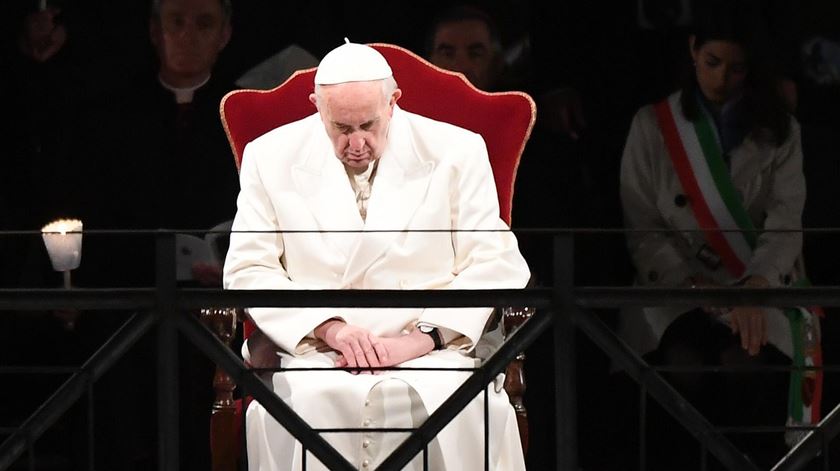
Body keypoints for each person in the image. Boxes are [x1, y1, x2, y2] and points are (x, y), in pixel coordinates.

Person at [223, 41, 531, 470]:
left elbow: (495, 263)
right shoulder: (269, 156)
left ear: (394, 102)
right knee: (305, 405)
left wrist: (419, 340)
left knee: (467, 407)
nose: (355, 144)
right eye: (340, 128)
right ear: (316, 106)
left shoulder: (457, 150)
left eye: (367, 125)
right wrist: (331, 329)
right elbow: (248, 269)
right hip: (319, 355)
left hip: (433, 353)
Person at [618, 1, 820, 467]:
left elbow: (786, 224)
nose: (721, 78)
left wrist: (755, 288)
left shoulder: (781, 130)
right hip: (677, 287)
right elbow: (643, 229)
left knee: (744, 364)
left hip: (758, 283)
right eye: (711, 63)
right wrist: (693, 283)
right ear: (692, 52)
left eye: (735, 68)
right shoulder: (652, 126)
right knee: (685, 364)